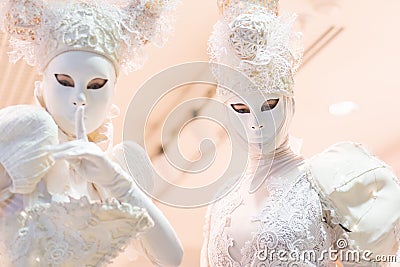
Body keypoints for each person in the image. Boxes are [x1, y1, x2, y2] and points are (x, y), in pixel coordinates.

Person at [201, 0, 400, 266]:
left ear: (289, 103)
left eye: (269, 104)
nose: (256, 121)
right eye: (239, 107)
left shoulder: (331, 181)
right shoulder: (222, 202)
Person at [0, 0, 183, 266]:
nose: (79, 98)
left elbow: (171, 258)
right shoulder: (25, 133)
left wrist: (116, 182)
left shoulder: (112, 172)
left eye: (96, 84)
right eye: (64, 81)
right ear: (45, 81)